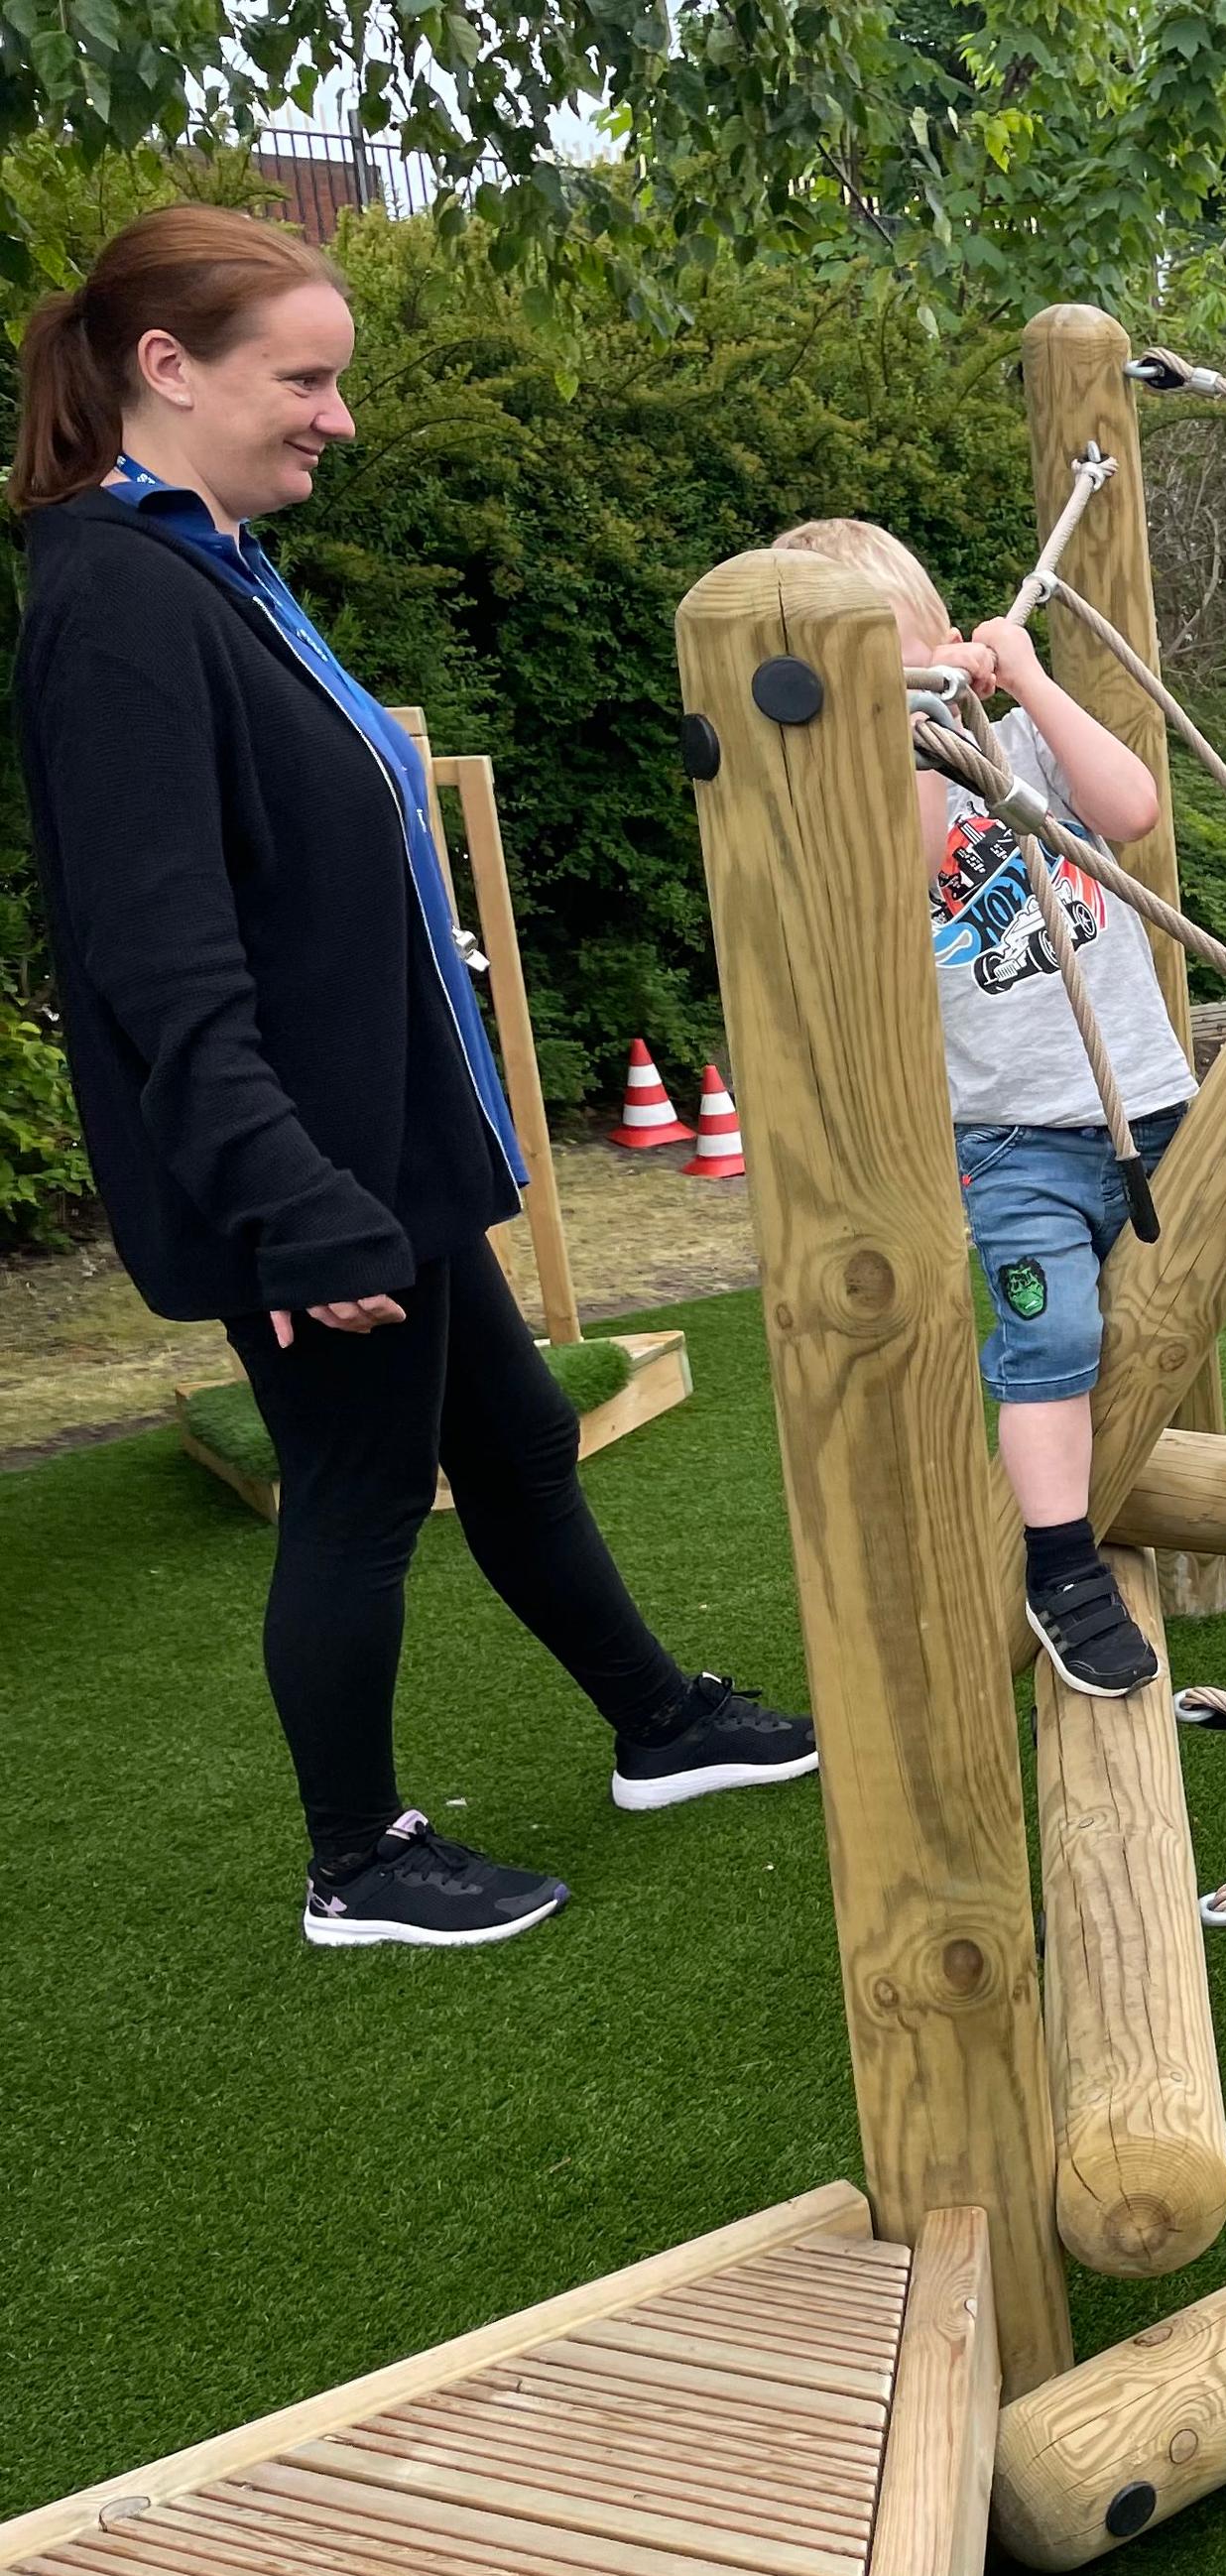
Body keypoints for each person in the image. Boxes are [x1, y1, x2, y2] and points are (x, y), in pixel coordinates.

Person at [12, 206, 816, 1949]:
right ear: (166, 370)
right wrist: (291, 1208)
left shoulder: (214, 562)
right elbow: (159, 958)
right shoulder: (120, 601)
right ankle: (355, 1861)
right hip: (301, 1173)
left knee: (517, 1435)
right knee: (364, 1487)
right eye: (303, 379)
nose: (339, 417)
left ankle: (661, 1724)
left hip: (379, 1147)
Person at [772, 520, 1196, 1698]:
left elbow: (1132, 806)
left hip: (1148, 1102)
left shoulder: (1020, 747)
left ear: (947, 639)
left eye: (907, 657)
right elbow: (907, 858)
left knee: (1216, 1247)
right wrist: (907, 734)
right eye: (869, 680)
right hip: (1015, 1142)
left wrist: (1029, 682)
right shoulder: (859, 806)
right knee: (1052, 1339)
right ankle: (1062, 1567)